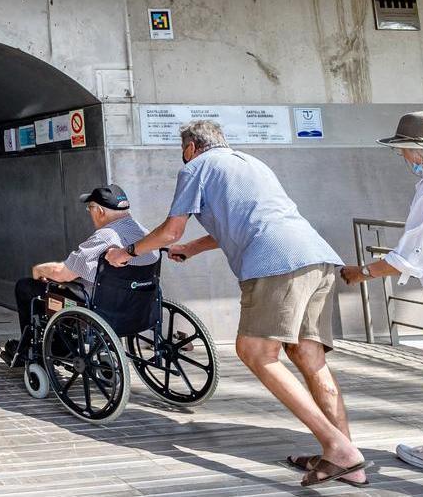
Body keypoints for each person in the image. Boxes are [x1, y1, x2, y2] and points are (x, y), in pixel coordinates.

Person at [104, 120, 369, 488]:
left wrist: (127, 252)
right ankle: (346, 459)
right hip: (318, 257)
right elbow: (248, 220)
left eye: (182, 152)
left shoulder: (196, 167)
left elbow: (171, 230)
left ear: (192, 147)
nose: (183, 158)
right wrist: (195, 248)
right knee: (310, 359)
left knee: (256, 353)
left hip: (276, 264)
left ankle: (338, 449)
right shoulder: (250, 163)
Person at [339, 111, 423, 482]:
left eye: (403, 150)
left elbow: (414, 255)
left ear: (420, 150)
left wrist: (361, 272)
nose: (402, 157)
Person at [0, 184, 157, 365]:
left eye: (89, 208)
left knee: (27, 287)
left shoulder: (104, 237)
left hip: (100, 308)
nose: (89, 213)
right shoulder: (146, 234)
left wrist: (40, 270)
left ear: (99, 211)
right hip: (138, 309)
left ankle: (33, 349)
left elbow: (62, 273)